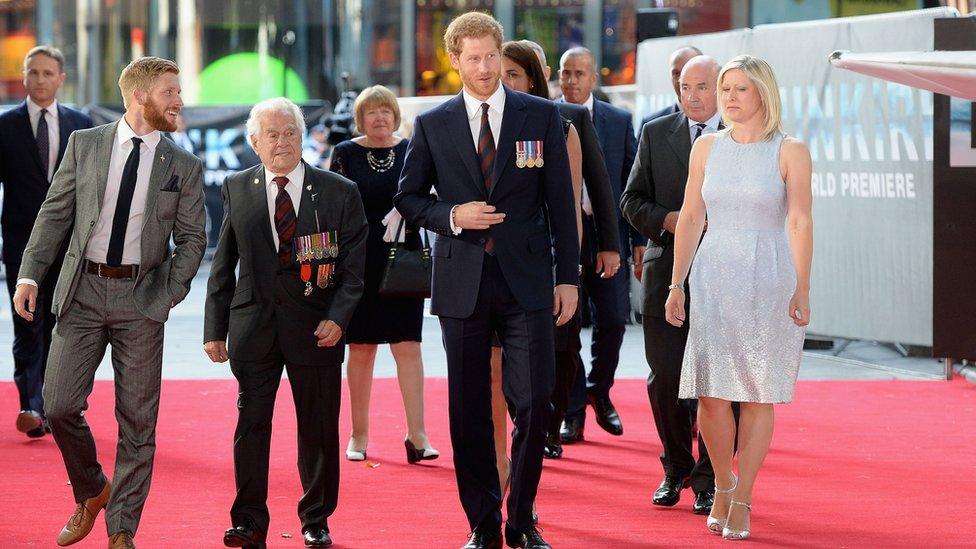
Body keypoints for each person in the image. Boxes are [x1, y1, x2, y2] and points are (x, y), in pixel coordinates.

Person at [394, 12, 578, 549]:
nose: (484, 67)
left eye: (491, 56)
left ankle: (521, 519)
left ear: (502, 53)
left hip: (528, 284)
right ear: (454, 61)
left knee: (534, 399)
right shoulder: (433, 124)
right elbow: (408, 200)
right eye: (472, 58)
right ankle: (482, 523)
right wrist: (453, 215)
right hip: (461, 284)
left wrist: (567, 278)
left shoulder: (540, 115)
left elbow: (561, 206)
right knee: (469, 407)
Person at [12, 56, 206, 549]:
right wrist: (30, 273)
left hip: (141, 299)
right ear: (140, 96)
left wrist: (166, 294)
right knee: (57, 405)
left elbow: (193, 239)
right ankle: (93, 489)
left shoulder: (183, 164)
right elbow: (54, 213)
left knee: (138, 423)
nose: (178, 100)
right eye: (169, 92)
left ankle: (122, 530)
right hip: (81, 292)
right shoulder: (87, 144)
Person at [203, 97, 367, 549]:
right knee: (251, 425)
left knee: (317, 427)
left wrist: (338, 319)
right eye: (271, 134)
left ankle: (316, 519)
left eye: (290, 132)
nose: (282, 142)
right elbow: (224, 263)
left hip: (317, 329)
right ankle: (249, 522)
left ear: (302, 136)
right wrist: (214, 328)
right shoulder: (237, 187)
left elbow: (354, 272)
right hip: (252, 327)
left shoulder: (338, 191)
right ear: (255, 143)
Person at [665, 54, 813, 541]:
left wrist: (802, 285)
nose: (728, 97)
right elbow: (690, 218)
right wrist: (676, 283)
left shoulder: (790, 150)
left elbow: (799, 221)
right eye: (725, 88)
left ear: (764, 94)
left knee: (757, 394)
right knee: (711, 393)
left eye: (740, 89)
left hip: (768, 277)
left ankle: (743, 495)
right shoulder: (706, 148)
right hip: (713, 277)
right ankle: (723, 484)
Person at [622, 55, 732, 516]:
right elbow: (631, 200)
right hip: (666, 272)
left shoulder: (743, 138)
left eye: (702, 86)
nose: (691, 95)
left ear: (722, 90)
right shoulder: (655, 133)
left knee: (719, 384)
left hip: (727, 276)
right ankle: (676, 468)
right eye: (685, 87)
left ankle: (711, 478)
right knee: (665, 378)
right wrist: (667, 220)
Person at [519, 39, 620, 460]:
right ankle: (562, 417)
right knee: (546, 341)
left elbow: (600, 184)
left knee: (591, 330)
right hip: (528, 247)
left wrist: (613, 244)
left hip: (579, 239)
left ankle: (581, 401)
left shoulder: (570, 119)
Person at [329, 85, 439, 464]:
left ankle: (418, 434)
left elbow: (429, 196)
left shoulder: (412, 148)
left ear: (396, 115)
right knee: (360, 349)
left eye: (386, 111)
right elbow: (332, 206)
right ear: (360, 118)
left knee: (408, 346)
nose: (379, 118)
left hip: (403, 260)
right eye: (371, 112)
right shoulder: (345, 153)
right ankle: (359, 435)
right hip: (360, 261)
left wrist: (410, 210)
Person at [0, 45, 92, 438]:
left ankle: (58, 405)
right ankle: (31, 407)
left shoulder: (82, 124)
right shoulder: (5, 126)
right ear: (23, 77)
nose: (39, 79)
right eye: (32, 72)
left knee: (63, 326)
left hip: (70, 247)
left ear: (61, 78)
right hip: (21, 245)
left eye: (47, 73)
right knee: (27, 325)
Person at [558, 46, 637, 444]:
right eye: (565, 73)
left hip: (609, 237)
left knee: (613, 317)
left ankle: (598, 390)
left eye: (579, 74)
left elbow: (635, 184)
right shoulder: (546, 116)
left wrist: (635, 241)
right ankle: (572, 412)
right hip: (565, 237)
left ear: (593, 79)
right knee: (568, 326)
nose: (571, 81)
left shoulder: (619, 121)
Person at [639, 46, 702, 130]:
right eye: (676, 73)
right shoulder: (651, 126)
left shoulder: (723, 119)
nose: (681, 80)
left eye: (687, 71)